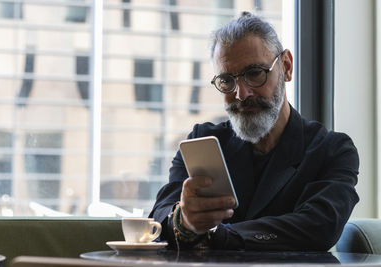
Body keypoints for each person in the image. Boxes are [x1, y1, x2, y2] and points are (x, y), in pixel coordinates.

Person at [149, 11, 359, 251]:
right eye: (227, 80)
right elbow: (159, 216)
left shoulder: (332, 150)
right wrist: (182, 220)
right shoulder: (203, 140)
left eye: (254, 73)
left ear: (286, 67)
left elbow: (320, 226)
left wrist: (218, 236)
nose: (242, 94)